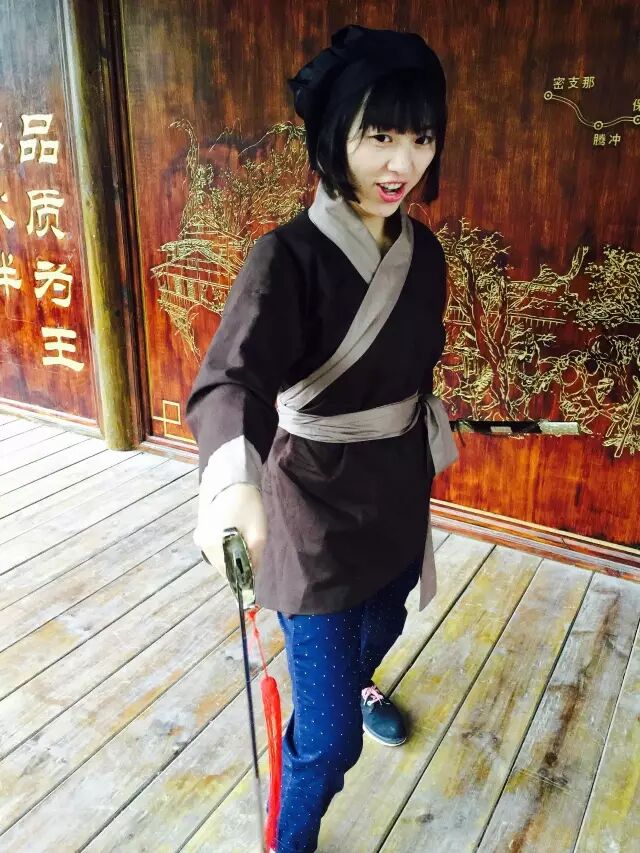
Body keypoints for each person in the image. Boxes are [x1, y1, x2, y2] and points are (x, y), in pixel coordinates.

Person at [186, 24, 458, 853]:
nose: (402, 163)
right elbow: (232, 379)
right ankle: (290, 837)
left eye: (421, 138)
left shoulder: (426, 255)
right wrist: (232, 482)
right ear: (337, 136)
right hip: (312, 506)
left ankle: (347, 685)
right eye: (380, 137)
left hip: (397, 489)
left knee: (385, 626)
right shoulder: (287, 258)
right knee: (331, 742)